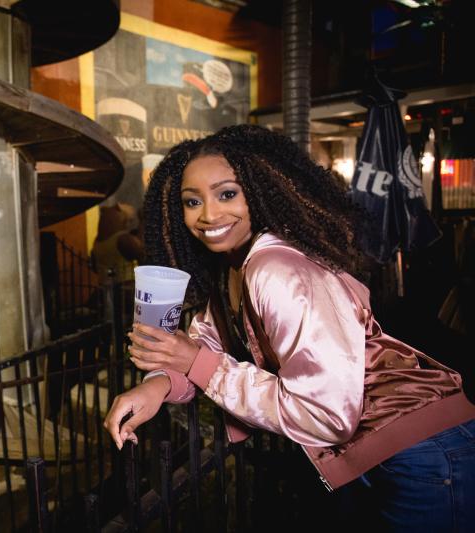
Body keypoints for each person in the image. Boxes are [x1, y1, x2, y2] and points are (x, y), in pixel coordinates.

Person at [103, 125, 475, 531]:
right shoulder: (233, 267)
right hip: (383, 451)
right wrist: (156, 385)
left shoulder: (276, 269)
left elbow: (327, 414)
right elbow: (204, 342)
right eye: (192, 201)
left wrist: (196, 362)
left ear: (261, 190)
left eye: (227, 193)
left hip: (422, 449)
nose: (208, 215)